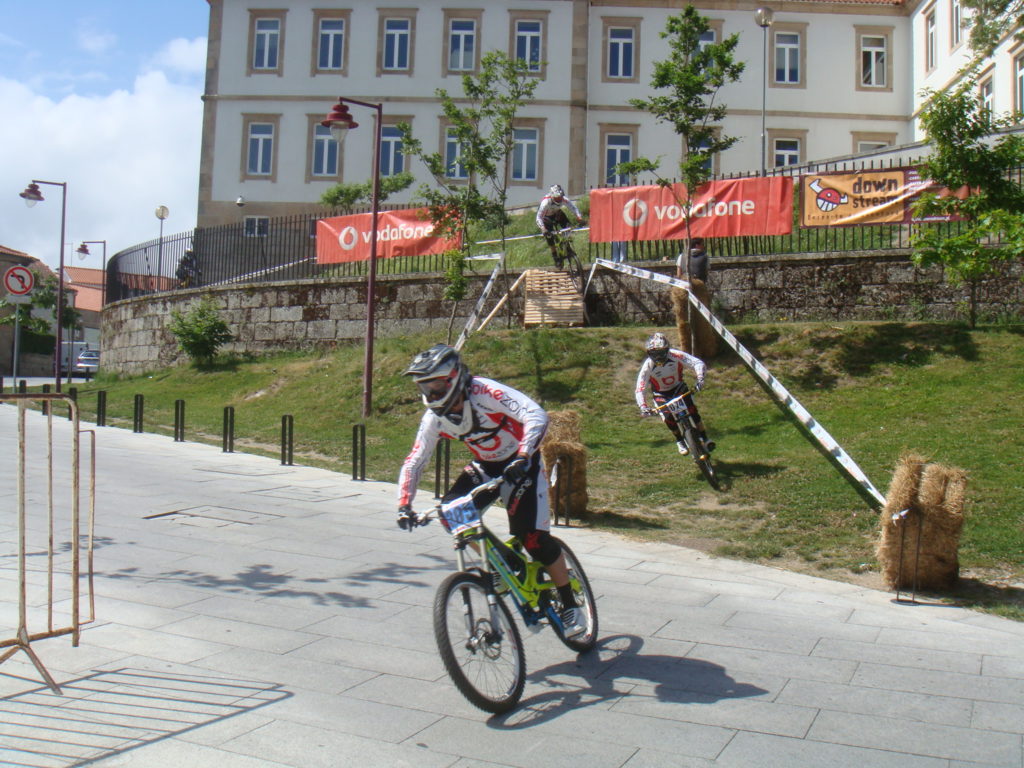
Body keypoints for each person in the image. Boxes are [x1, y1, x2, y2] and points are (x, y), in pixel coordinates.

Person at [396, 343, 587, 637]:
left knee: (532, 538)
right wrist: (404, 504)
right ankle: (505, 565)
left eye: (435, 384)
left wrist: (524, 455)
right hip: (486, 464)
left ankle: (568, 601)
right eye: (424, 386)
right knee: (451, 514)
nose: (430, 393)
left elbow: (535, 414)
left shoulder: (484, 392)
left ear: (454, 378)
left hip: (522, 462)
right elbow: (416, 459)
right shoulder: (434, 417)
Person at [635, 332, 715, 456]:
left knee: (693, 411)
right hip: (661, 394)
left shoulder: (676, 355)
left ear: (667, 350)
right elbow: (640, 388)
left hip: (678, 388)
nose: (658, 357)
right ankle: (679, 440)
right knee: (668, 418)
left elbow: (697, 363)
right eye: (654, 354)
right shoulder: (648, 366)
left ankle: (705, 438)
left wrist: (700, 378)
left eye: (661, 353)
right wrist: (643, 407)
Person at [536, 184, 585, 267]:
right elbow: (538, 217)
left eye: (560, 197)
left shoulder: (564, 199)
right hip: (546, 217)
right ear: (552, 196)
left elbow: (573, 208)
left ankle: (567, 244)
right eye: (557, 198)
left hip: (557, 213)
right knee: (549, 236)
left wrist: (579, 217)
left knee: (567, 226)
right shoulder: (545, 203)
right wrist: (543, 228)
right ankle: (555, 256)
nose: (559, 199)